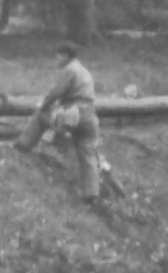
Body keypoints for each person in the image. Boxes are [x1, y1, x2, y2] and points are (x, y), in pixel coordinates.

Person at [13, 42, 102, 204]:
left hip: (74, 113)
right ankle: (91, 193)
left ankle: (23, 145)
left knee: (41, 116)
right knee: (87, 152)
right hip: (90, 115)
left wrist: (44, 104)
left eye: (58, 55)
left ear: (66, 56)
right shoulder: (83, 70)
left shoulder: (70, 70)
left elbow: (56, 92)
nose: (56, 59)